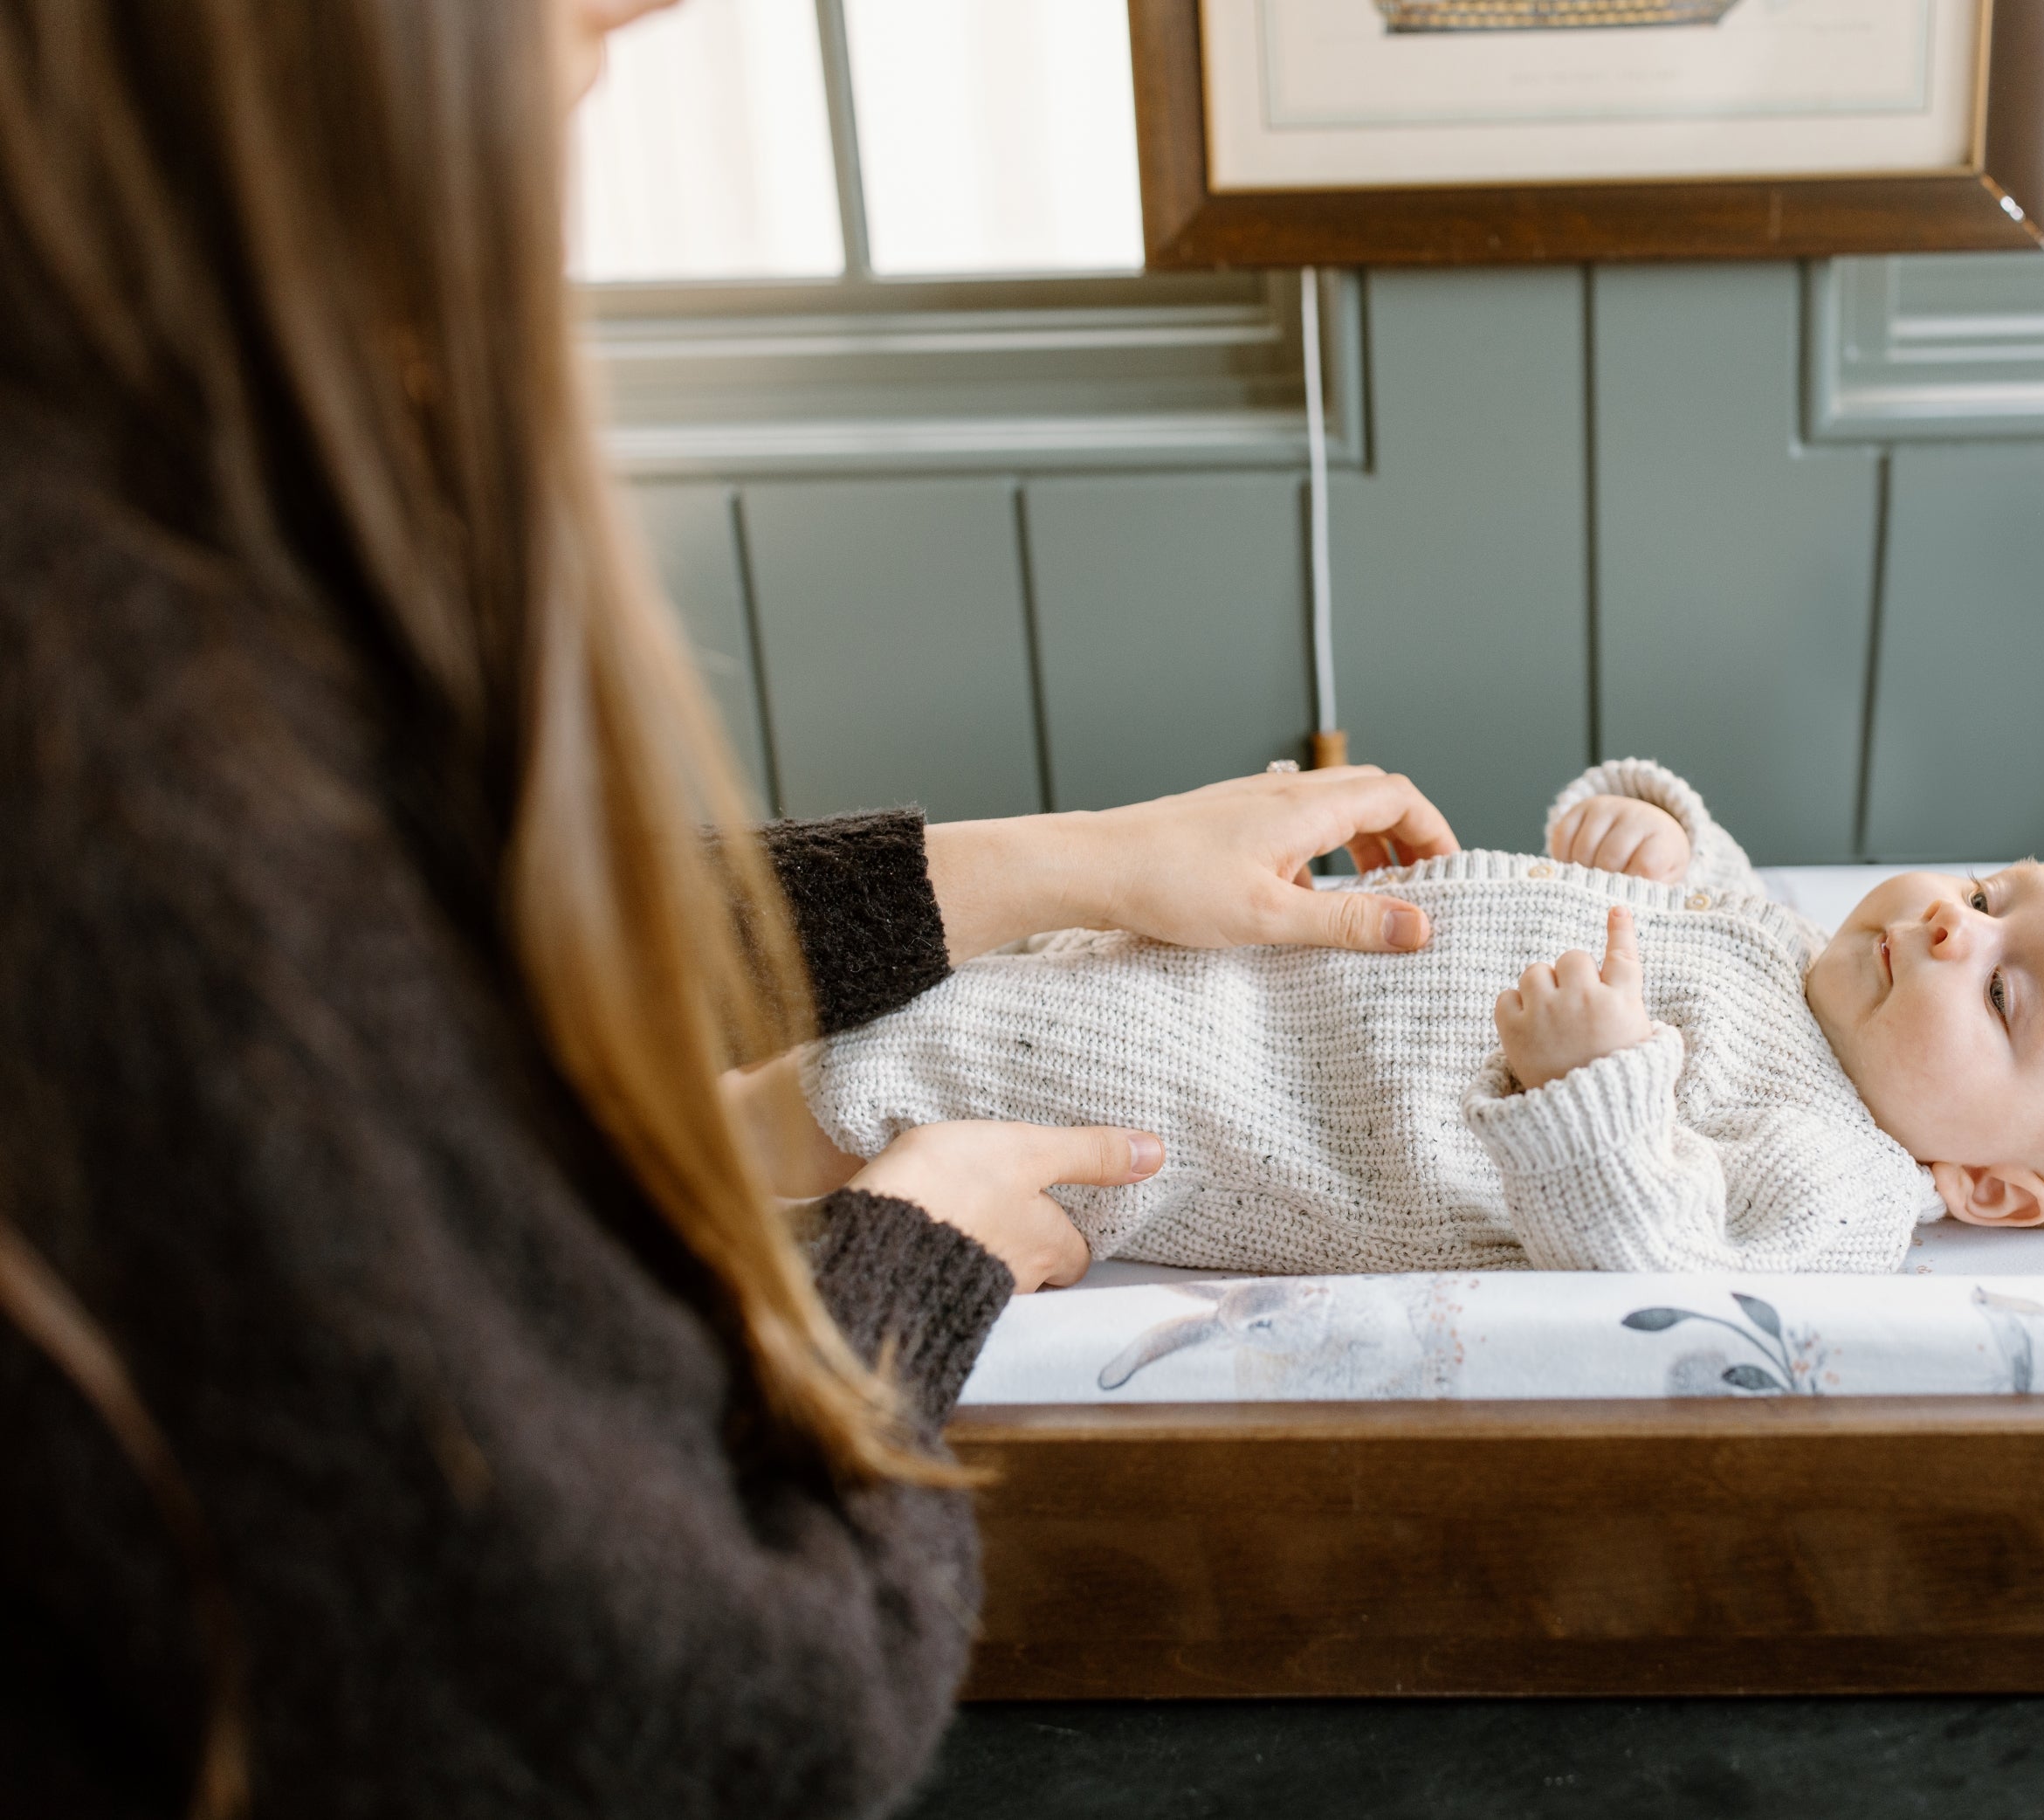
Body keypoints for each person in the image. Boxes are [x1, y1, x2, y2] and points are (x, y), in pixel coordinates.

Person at [0, 2, 1456, 1815]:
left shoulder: (117, 574)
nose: (623, 46)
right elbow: (740, 1715)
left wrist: (1075, 859)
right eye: (573, 46)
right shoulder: (147, 774)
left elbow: (476, 962)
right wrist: (914, 1254)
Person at [781, 758, 2044, 1279]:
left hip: (1266, 1107)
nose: (1955, 921)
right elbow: (1697, 873)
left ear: (1990, 1188)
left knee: (931, 1066)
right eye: (1996, 888)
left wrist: (1598, 1093)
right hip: (1245, 969)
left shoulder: (1848, 1178)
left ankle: (689, 1154)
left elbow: (1673, 1265)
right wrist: (1644, 830)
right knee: (995, 956)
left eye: (2003, 990)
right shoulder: (1796, 949)